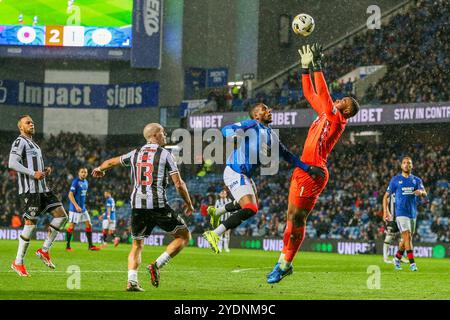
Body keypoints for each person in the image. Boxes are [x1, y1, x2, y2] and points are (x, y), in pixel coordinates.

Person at [267, 44, 360, 284]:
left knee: (298, 219)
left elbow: (327, 99)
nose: (340, 99)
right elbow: (310, 94)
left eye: (344, 100)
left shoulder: (336, 118)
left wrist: (318, 65)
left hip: (314, 172)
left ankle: (286, 264)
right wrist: (305, 68)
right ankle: (281, 262)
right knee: (290, 217)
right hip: (302, 168)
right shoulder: (325, 113)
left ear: (347, 109)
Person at [203, 103, 325, 254]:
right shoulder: (253, 124)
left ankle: (218, 211)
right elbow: (226, 129)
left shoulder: (271, 135)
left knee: (250, 207)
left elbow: (286, 154)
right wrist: (233, 136)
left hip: (245, 175)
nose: (269, 110)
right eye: (264, 109)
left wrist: (308, 168)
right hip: (235, 172)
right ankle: (214, 234)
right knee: (250, 208)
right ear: (256, 115)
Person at [92, 123, 194, 292]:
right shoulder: (165, 154)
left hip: (137, 206)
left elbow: (111, 162)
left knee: (137, 245)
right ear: (154, 135)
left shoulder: (135, 153)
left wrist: (99, 169)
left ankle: (131, 281)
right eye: (162, 132)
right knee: (183, 236)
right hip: (158, 205)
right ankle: (156, 265)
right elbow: (179, 183)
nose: (165, 135)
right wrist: (188, 203)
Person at [9, 115, 68, 277]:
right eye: (28, 123)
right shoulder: (19, 141)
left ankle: (44, 250)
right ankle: (18, 262)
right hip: (30, 191)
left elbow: (34, 166)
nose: (31, 124)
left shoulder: (33, 143)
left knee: (61, 216)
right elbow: (12, 163)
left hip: (43, 189)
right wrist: (33, 173)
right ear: (21, 127)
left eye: (32, 122)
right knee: (30, 224)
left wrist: (44, 171)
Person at [383, 156, 427, 271]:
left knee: (406, 240)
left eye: (409, 163)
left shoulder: (416, 180)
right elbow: (386, 197)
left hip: (412, 213)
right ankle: (413, 263)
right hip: (400, 213)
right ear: (401, 166)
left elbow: (425, 193)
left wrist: (421, 192)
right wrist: (386, 211)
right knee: (407, 236)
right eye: (404, 163)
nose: (406, 164)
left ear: (412, 166)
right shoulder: (395, 180)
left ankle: (397, 259)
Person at [65, 167, 101, 251]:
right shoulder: (75, 182)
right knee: (71, 226)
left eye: (85, 172)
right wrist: (76, 206)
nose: (84, 173)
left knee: (89, 225)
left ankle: (90, 246)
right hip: (75, 209)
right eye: (82, 172)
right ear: (79, 173)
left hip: (83, 209)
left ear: (87, 173)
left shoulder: (86, 182)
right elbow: (70, 195)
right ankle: (68, 246)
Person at [382, 193, 409, 264]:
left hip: (402, 217)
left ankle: (399, 256)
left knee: (403, 238)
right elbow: (386, 201)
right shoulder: (391, 189)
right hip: (392, 218)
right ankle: (385, 258)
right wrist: (387, 213)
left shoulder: (403, 189)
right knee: (388, 238)